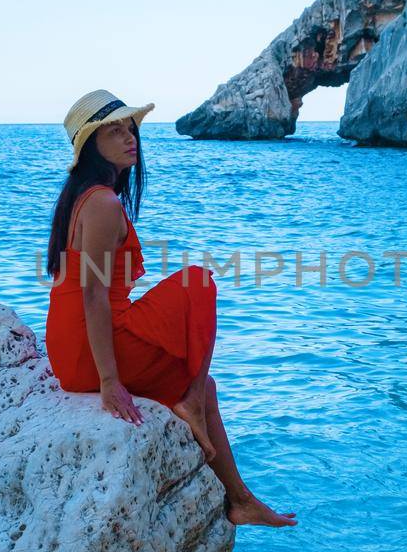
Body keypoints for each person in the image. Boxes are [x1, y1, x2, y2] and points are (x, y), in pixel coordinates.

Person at [45, 89, 297, 529]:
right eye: (115, 131)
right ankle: (192, 405)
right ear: (90, 145)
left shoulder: (83, 197)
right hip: (90, 350)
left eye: (131, 128)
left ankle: (239, 500)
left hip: (70, 347)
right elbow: (93, 295)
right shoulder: (102, 204)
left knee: (205, 384)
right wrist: (109, 382)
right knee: (198, 281)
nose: (130, 138)